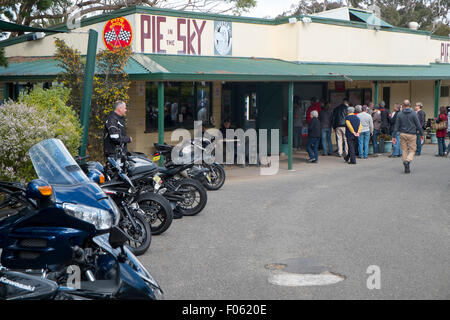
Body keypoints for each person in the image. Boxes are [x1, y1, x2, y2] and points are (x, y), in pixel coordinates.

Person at [392, 100, 424, 174]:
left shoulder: (400, 114)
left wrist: (393, 136)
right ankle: (408, 161)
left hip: (402, 134)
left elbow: (396, 126)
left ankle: (406, 165)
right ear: (410, 105)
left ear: (403, 105)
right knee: (412, 150)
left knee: (404, 150)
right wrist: (422, 134)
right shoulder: (413, 113)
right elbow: (418, 125)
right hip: (412, 134)